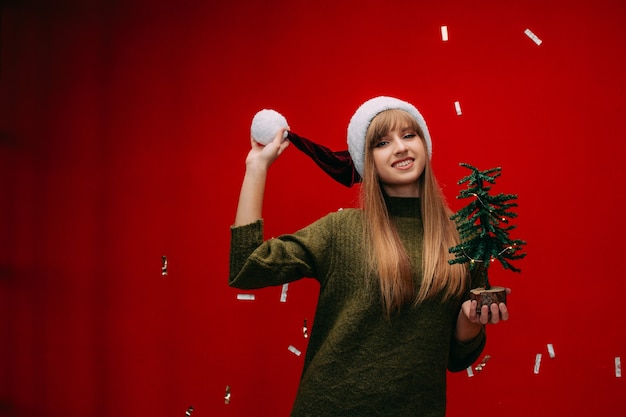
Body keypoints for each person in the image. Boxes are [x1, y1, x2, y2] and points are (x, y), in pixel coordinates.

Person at [229, 96, 510, 416]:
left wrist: (471, 319)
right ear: (367, 161)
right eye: (382, 142)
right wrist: (256, 168)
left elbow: (458, 359)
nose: (401, 148)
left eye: (409, 135)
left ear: (424, 144)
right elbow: (247, 266)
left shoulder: (463, 238)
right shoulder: (341, 231)